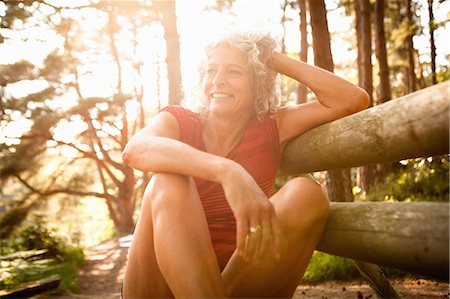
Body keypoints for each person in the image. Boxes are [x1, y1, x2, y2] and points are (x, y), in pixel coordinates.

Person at [121, 30, 369, 298]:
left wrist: (271, 58)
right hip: (157, 286)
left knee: (307, 193)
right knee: (168, 181)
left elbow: (352, 100)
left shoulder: (272, 127)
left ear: (259, 83)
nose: (217, 81)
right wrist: (227, 171)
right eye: (211, 71)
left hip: (233, 286)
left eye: (233, 72)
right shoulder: (179, 120)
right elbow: (135, 149)